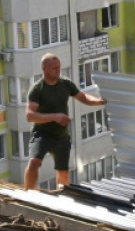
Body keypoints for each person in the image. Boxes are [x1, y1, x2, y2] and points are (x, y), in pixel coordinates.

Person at [23, 53, 106, 190]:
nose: (58, 70)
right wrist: (55, 117)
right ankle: (28, 194)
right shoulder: (38, 89)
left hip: (61, 136)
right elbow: (30, 116)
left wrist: (98, 101)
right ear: (44, 69)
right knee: (33, 163)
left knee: (62, 172)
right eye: (54, 68)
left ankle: (62, 198)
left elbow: (83, 97)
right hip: (42, 135)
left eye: (59, 67)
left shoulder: (65, 84)